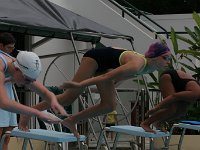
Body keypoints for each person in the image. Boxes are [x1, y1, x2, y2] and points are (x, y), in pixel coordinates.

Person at [19, 41, 172, 138]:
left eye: (169, 59)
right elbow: (109, 76)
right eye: (165, 58)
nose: (168, 62)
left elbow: (118, 77)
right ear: (154, 56)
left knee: (109, 105)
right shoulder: (138, 63)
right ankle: (27, 114)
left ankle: (71, 120)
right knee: (68, 97)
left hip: (107, 67)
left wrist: (104, 89)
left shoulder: (149, 68)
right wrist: (80, 85)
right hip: (95, 58)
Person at [0, 49, 67, 150]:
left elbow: (44, 92)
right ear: (17, 69)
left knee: (5, 138)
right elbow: (4, 102)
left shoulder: (18, 65)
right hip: (3, 100)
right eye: (27, 80)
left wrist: (54, 102)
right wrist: (38, 113)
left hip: (5, 96)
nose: (28, 84)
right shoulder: (1, 65)